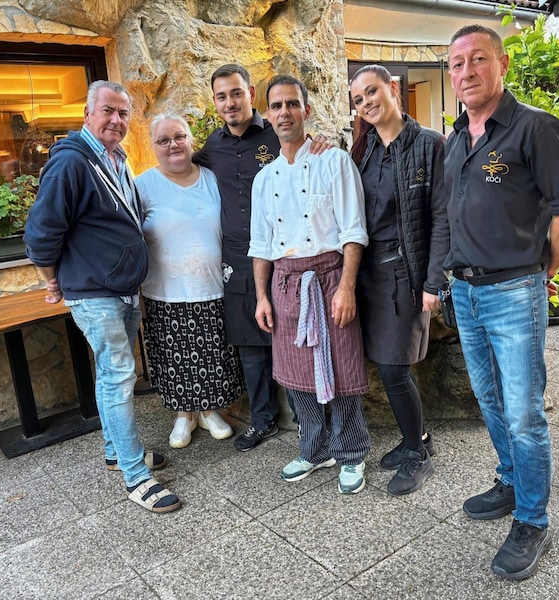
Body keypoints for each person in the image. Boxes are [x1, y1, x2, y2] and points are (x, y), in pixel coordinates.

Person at [444, 25, 559, 579]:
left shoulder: (535, 128)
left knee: (526, 412)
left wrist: (540, 272)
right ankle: (511, 482)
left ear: (502, 64)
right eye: (456, 64)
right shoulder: (457, 138)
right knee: (489, 400)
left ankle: (533, 519)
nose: (466, 72)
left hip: (512, 291)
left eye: (477, 59)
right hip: (465, 291)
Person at [23, 80, 181, 514]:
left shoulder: (114, 158)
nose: (116, 120)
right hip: (95, 292)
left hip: (121, 289)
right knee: (119, 376)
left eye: (123, 113)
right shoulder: (71, 163)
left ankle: (117, 452)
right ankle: (136, 475)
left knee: (111, 374)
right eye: (108, 111)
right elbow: (41, 232)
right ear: (88, 114)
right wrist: (50, 280)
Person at [194, 64, 331, 452]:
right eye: (221, 96)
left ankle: (312, 422)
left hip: (286, 256)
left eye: (235, 93)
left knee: (297, 339)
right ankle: (263, 419)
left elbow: (313, 154)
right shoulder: (213, 147)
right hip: (238, 258)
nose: (229, 102)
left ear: (250, 94)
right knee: (251, 347)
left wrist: (325, 141)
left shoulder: (279, 130)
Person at [249, 75, 371, 495]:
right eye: (276, 105)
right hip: (285, 284)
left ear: (306, 110)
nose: (284, 112)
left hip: (329, 278)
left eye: (292, 104)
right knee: (296, 375)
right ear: (267, 114)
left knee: (342, 370)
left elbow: (353, 231)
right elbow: (261, 245)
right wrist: (262, 296)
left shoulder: (334, 161)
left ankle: (351, 451)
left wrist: (347, 287)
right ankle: (314, 450)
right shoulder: (263, 180)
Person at [348, 65, 449, 496]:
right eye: (357, 99)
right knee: (382, 365)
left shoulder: (429, 145)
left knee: (393, 365)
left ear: (393, 89)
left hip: (405, 274)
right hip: (366, 273)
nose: (366, 102)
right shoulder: (362, 148)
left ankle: (417, 452)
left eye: (372, 91)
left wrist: (434, 282)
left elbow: (444, 216)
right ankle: (417, 436)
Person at [135, 113, 244, 449]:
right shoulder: (142, 185)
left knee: (212, 355)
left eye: (179, 136)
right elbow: (129, 238)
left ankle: (210, 411)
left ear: (190, 140)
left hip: (211, 285)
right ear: (153, 147)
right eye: (163, 140)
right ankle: (184, 416)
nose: (173, 145)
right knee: (173, 355)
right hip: (164, 291)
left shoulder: (212, 178)